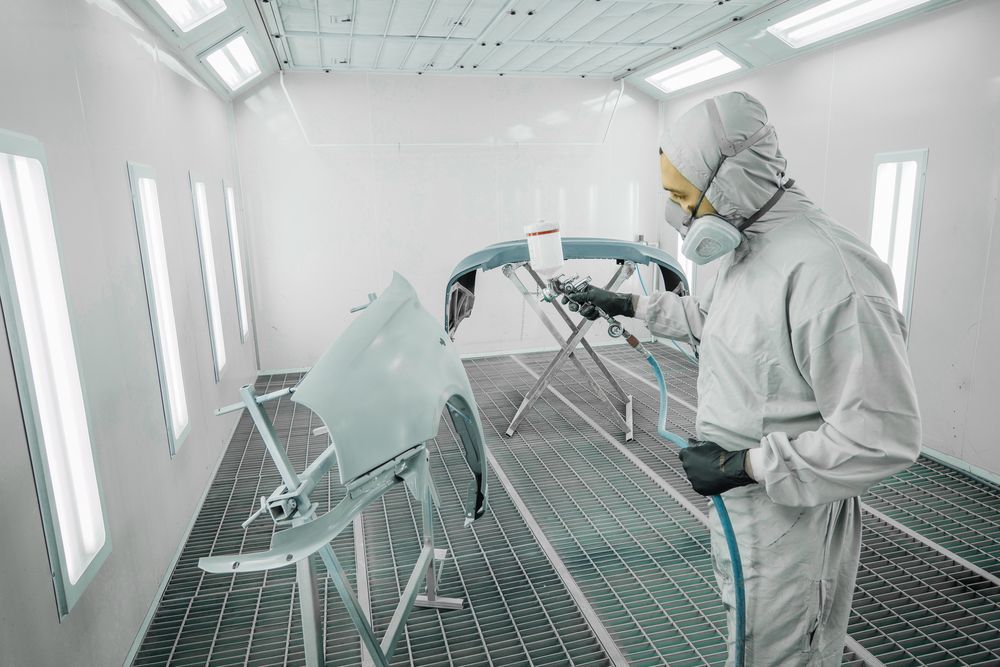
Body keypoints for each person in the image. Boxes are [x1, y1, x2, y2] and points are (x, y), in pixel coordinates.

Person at [568, 91, 922, 665]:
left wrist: (745, 465)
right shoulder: (742, 246)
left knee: (783, 653)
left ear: (730, 181)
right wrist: (629, 304)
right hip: (745, 499)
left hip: (794, 515)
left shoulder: (830, 271)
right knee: (748, 638)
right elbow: (720, 324)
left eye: (683, 198)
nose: (677, 216)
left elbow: (879, 436)